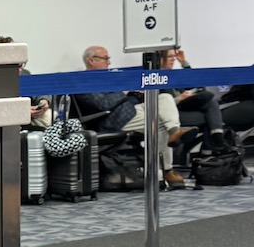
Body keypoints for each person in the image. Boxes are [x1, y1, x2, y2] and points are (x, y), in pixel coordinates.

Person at [75, 45, 188, 187]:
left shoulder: (107, 76)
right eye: (105, 59)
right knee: (160, 124)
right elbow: (102, 104)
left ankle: (174, 132)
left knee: (165, 98)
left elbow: (121, 97)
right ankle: (167, 169)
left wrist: (136, 92)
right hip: (114, 120)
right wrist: (124, 90)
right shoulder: (83, 81)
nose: (109, 62)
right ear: (91, 60)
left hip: (131, 110)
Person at [162, 46, 228, 150]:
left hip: (184, 107)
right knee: (211, 117)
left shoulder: (174, 75)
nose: (173, 59)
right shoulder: (154, 77)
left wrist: (184, 63)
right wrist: (179, 98)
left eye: (174, 56)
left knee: (210, 101)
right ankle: (215, 144)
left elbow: (196, 83)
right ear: (160, 59)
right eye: (170, 56)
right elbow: (159, 105)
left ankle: (215, 140)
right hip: (171, 115)